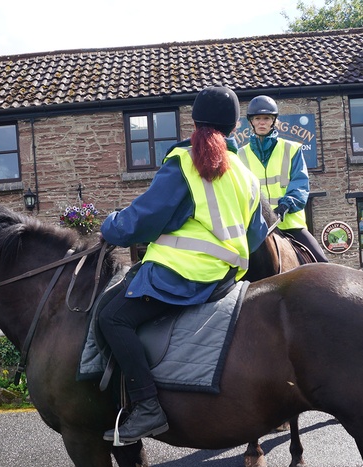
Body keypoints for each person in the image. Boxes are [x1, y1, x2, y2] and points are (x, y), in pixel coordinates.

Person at [98, 86, 268, 444]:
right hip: (225, 280)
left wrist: (110, 225)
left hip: (179, 276)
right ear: (236, 126)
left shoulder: (184, 161)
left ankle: (146, 407)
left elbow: (141, 221)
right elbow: (255, 238)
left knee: (111, 318)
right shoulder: (247, 175)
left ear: (193, 122)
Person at [238, 95, 329, 262]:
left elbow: (300, 183)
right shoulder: (240, 154)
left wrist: (287, 204)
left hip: (290, 224)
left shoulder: (291, 149)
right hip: (256, 228)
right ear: (251, 122)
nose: (262, 122)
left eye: (266, 118)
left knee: (322, 263)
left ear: (274, 120)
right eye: (257, 118)